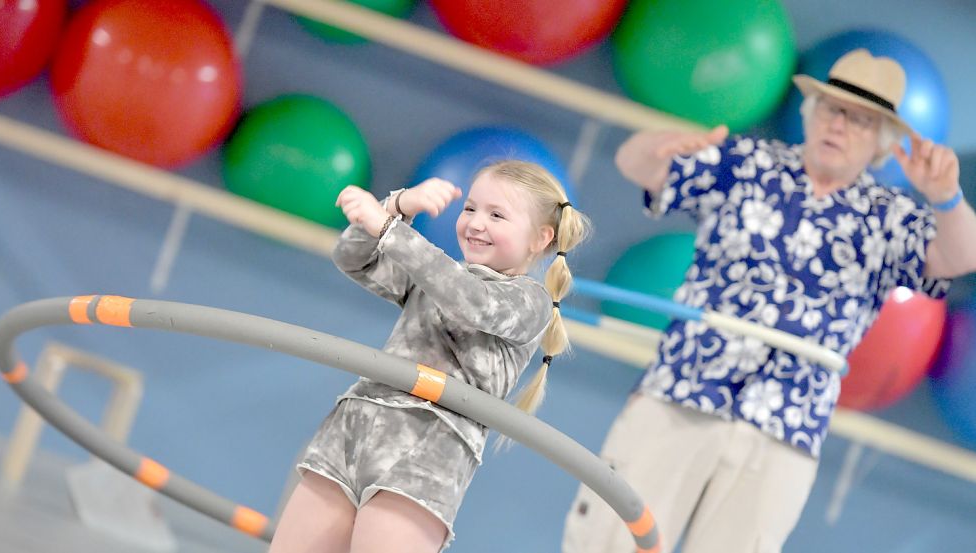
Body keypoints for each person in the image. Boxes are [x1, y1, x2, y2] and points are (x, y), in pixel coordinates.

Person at [562, 48, 976, 553]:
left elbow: (961, 256)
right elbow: (636, 164)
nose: (840, 125)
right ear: (810, 113)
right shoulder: (745, 162)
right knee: (606, 538)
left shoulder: (891, 217)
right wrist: (667, 143)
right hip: (682, 390)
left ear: (881, 145)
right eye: (832, 108)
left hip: (786, 427)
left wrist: (948, 198)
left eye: (861, 121)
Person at [269, 160, 590, 553]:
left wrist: (389, 229)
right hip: (351, 433)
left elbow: (469, 301)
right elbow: (353, 257)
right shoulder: (438, 276)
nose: (475, 222)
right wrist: (398, 205)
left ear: (540, 238)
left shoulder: (529, 301)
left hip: (424, 459)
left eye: (496, 215)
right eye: (470, 208)